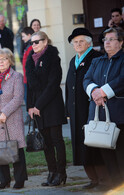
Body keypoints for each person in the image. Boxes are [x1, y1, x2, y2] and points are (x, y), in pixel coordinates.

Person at [66, 28, 110, 189]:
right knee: (81, 145)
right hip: (76, 111)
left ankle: (105, 180)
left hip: (92, 109)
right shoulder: (73, 60)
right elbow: (68, 86)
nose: (78, 44)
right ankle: (93, 179)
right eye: (75, 42)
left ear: (89, 43)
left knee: (95, 144)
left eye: (81, 41)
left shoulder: (97, 58)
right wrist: (67, 110)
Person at [83, 27, 124, 189]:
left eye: (111, 39)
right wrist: (94, 91)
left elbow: (122, 80)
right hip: (99, 114)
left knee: (121, 152)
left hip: (119, 113)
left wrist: (103, 92)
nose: (107, 42)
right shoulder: (97, 60)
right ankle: (114, 184)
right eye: (105, 39)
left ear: (121, 42)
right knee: (105, 151)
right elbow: (87, 79)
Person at [26, 31, 67, 186]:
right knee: (46, 142)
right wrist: (30, 106)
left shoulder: (53, 58)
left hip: (52, 105)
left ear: (45, 42)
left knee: (57, 140)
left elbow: (53, 85)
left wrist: (38, 105)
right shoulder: (30, 60)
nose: (34, 45)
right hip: (37, 108)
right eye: (32, 42)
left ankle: (61, 173)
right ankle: (52, 172)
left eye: (37, 42)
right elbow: (28, 86)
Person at [0, 48, 28, 189]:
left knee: (16, 148)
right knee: (0, 149)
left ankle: (20, 179)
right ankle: (5, 180)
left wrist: (4, 113)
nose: (1, 62)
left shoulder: (16, 77)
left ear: (10, 61)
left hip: (11, 118)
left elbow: (18, 97)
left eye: (5, 59)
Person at [21, 27, 34, 124]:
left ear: (29, 35)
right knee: (27, 98)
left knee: (29, 98)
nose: (22, 38)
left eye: (23, 36)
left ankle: (31, 118)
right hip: (26, 78)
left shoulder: (30, 47)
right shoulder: (27, 46)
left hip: (28, 79)